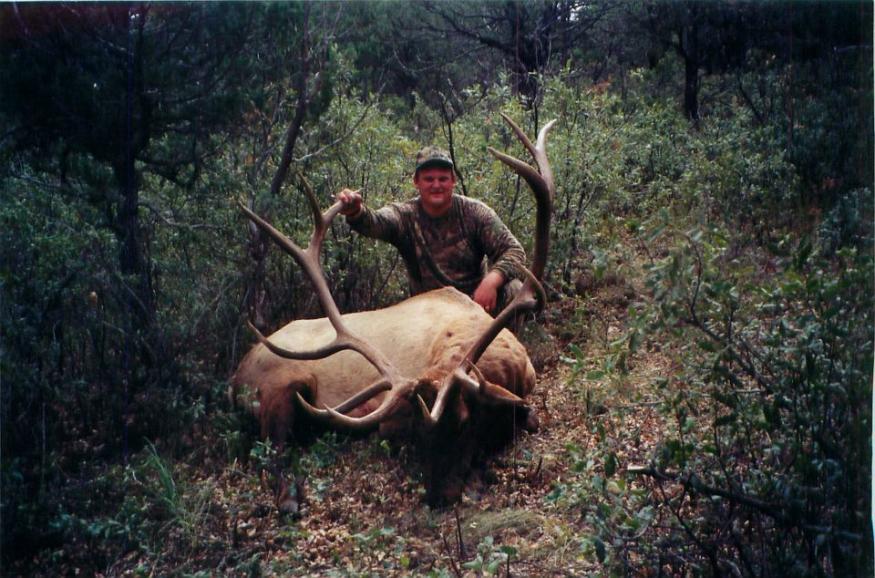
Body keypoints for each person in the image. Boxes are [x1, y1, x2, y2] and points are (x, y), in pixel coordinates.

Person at [336, 146, 525, 314]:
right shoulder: (405, 216)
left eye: (443, 179)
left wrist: (491, 281)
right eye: (429, 179)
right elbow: (376, 222)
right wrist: (356, 212)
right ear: (416, 182)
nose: (436, 185)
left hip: (475, 308)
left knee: (515, 290)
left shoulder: (475, 213)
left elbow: (514, 251)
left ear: (453, 181)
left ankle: (501, 352)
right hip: (427, 317)